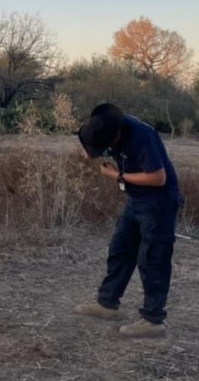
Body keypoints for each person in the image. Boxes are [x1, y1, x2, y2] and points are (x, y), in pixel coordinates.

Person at [75, 103, 182, 338]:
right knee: (120, 248)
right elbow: (90, 145)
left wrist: (118, 176)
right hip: (136, 200)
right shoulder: (106, 126)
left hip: (158, 203)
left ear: (116, 136)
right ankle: (108, 304)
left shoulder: (141, 137)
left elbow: (158, 177)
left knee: (152, 259)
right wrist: (90, 149)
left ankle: (154, 321)